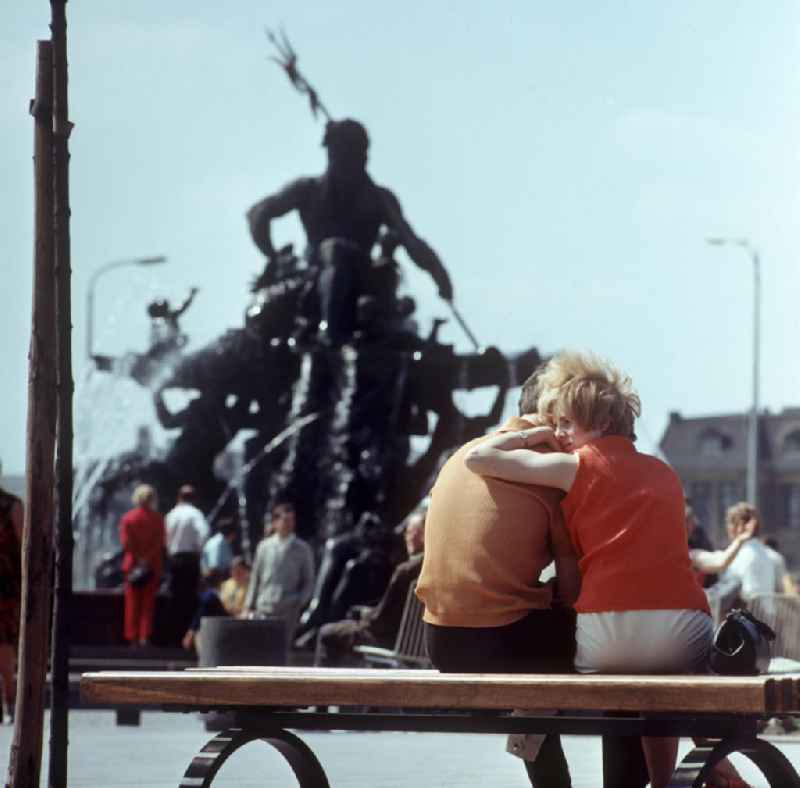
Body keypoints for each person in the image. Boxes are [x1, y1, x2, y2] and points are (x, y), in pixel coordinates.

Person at [464, 351, 745, 788]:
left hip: (605, 638)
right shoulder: (666, 474)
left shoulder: (572, 467)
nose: (558, 433)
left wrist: (530, 434)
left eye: (565, 424)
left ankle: (674, 775)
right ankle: (698, 774)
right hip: (681, 628)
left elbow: (479, 459)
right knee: (667, 685)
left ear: (595, 421)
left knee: (641, 677)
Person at [415, 378, 582, 788]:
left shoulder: (463, 454)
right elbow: (573, 586)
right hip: (501, 644)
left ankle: (535, 736)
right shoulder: (542, 466)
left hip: (439, 641)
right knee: (598, 638)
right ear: (549, 417)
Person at [246, 118, 453, 345]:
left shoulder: (379, 199)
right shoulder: (308, 190)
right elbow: (258, 214)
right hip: (314, 275)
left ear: (363, 157)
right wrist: (273, 256)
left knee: (356, 259)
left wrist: (438, 273)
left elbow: (411, 242)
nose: (347, 161)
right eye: (340, 154)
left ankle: (339, 335)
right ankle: (331, 335)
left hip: (364, 278)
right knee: (333, 249)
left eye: (355, 154)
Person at [315, 509, 425, 667]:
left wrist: (363, 615)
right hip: (419, 645)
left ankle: (321, 690)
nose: (406, 537)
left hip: (389, 641)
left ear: (422, 535)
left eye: (410, 532)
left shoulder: (405, 571)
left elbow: (379, 621)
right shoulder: (436, 570)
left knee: (327, 633)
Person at [243, 501, 315, 645]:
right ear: (275, 522)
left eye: (292, 520)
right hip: (264, 605)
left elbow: (309, 580)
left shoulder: (303, 549)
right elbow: (255, 577)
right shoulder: (264, 547)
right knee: (262, 647)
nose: (289, 524)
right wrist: (248, 605)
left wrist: (300, 601)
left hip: (288, 608)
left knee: (282, 649)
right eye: (285, 520)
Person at [119, 484, 166, 647]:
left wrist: (138, 557)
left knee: (132, 603)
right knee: (148, 604)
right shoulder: (158, 519)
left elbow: (126, 543)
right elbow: (160, 542)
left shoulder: (128, 518)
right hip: (152, 565)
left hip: (132, 565)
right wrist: (147, 558)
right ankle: (144, 636)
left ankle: (131, 637)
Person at [165, 484, 210, 634]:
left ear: (178, 497)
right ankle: (188, 632)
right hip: (190, 559)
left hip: (174, 558)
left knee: (174, 596)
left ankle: (173, 633)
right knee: (190, 597)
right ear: (194, 499)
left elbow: (164, 537)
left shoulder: (171, 514)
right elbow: (204, 533)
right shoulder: (195, 514)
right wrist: (199, 549)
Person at [721, 503, 778, 600]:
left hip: (746, 613)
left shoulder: (742, 554)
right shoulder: (767, 553)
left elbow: (746, 596)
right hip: (767, 614)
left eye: (729, 522)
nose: (727, 528)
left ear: (740, 525)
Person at [0, 466, 22, 723]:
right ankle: (9, 703)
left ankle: (9, 703)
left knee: (5, 646)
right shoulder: (13, 505)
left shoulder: (12, 505)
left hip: (6, 587)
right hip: (7, 584)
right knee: (5, 646)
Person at [181, 569, 229, 652]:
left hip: (219, 630)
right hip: (215, 628)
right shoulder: (211, 595)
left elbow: (200, 615)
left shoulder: (210, 596)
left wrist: (190, 632)